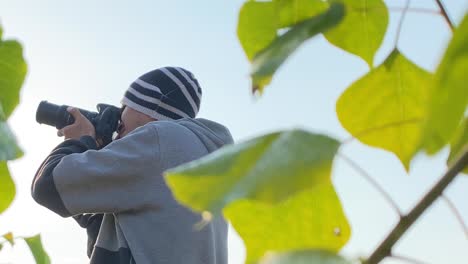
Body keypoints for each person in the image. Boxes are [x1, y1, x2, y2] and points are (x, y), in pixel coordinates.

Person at [31, 67, 233, 264]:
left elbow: (48, 186)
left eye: (124, 106)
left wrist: (80, 140)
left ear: (150, 104)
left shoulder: (159, 139)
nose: (119, 115)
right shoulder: (200, 160)